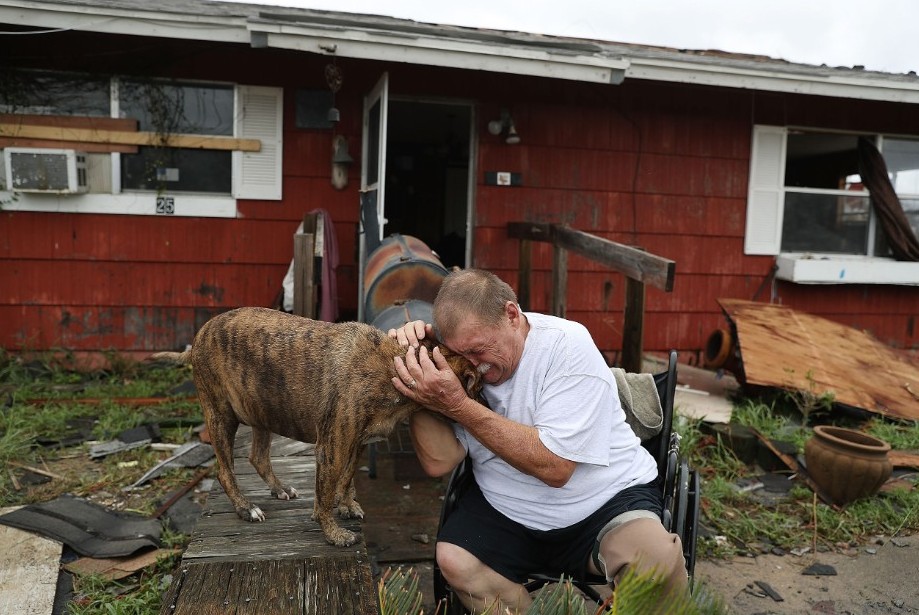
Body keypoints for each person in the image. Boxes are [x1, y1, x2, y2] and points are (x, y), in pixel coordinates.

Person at [389, 268, 687, 613]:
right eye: (461, 355)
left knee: (658, 562)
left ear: (512, 315)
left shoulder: (565, 346)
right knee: (455, 558)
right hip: (507, 508)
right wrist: (416, 378)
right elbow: (439, 461)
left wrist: (458, 404)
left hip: (603, 502)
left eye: (479, 350)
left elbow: (555, 467)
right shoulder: (456, 358)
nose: (473, 367)